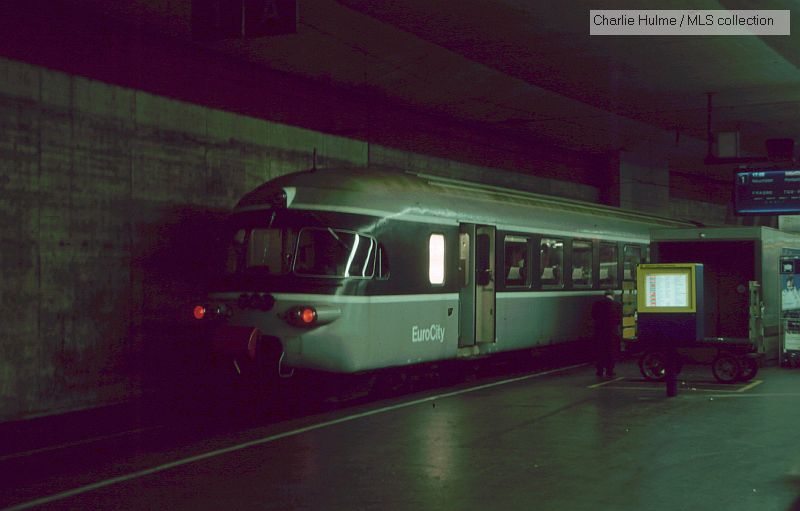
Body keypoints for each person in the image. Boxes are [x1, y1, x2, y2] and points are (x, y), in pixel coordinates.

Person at [592, 289, 623, 378]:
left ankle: (600, 371)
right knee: (611, 351)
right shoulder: (617, 305)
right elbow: (619, 319)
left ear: (605, 295)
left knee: (600, 351)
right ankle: (610, 370)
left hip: (600, 331)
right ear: (613, 295)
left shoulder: (597, 304)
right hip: (612, 332)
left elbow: (593, 315)